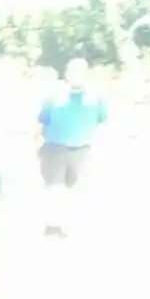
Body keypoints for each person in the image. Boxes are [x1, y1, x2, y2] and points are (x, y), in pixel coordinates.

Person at [37, 57, 108, 235]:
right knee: (54, 187)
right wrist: (33, 143)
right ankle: (52, 225)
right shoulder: (53, 96)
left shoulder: (96, 98)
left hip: (82, 150)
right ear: (67, 74)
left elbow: (103, 123)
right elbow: (41, 121)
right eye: (72, 71)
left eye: (80, 72)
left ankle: (68, 224)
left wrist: (102, 146)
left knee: (74, 189)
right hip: (54, 149)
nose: (76, 75)